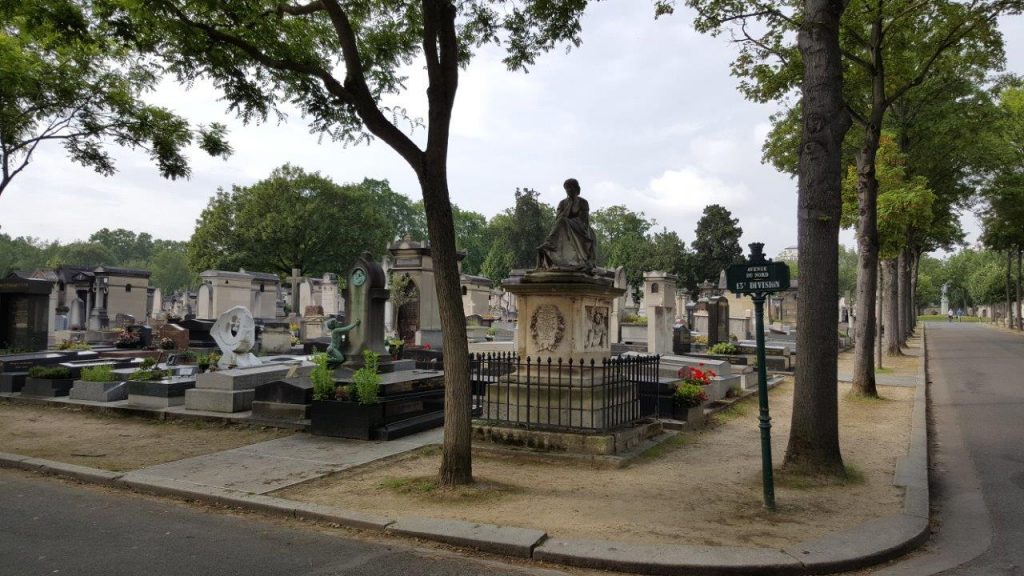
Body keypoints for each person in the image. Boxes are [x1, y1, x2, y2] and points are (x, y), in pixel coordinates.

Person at [536, 178, 597, 272]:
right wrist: (569, 205)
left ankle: (550, 242)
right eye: (567, 189)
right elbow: (558, 219)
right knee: (562, 221)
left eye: (571, 188)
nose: (569, 191)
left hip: (580, 228)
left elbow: (583, 220)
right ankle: (550, 243)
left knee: (563, 221)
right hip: (564, 227)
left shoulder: (583, 202)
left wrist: (568, 221)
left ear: (577, 189)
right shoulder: (562, 203)